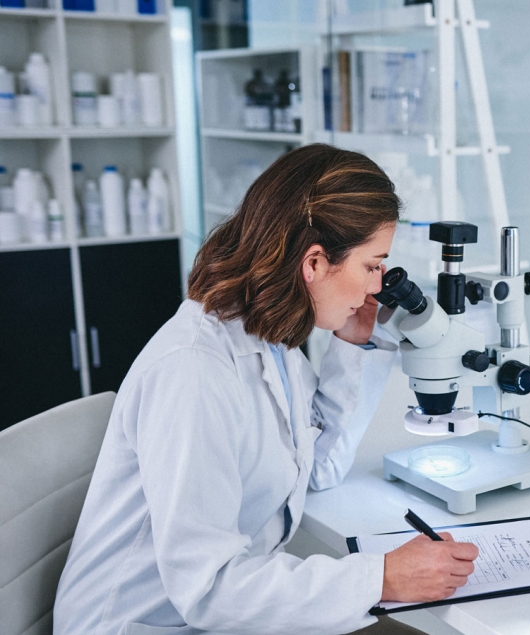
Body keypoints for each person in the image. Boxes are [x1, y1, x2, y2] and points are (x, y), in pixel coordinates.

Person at [54, 144, 479, 635]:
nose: (376, 287)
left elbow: (317, 467)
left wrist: (351, 345)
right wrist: (381, 577)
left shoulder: (267, 339)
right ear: (314, 262)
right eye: (372, 265)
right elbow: (208, 588)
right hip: (138, 623)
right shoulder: (195, 370)